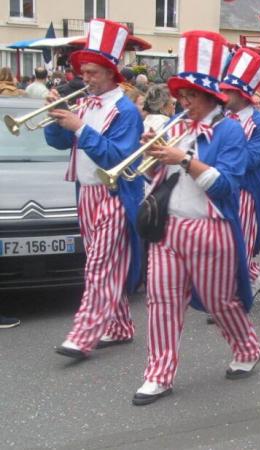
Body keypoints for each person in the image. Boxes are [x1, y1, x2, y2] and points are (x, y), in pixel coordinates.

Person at [133, 30, 260, 405]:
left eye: (191, 96)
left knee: (221, 302)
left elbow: (226, 187)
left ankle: (247, 347)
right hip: (169, 229)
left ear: (209, 97)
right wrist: (153, 157)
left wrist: (185, 160)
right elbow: (155, 182)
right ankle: (158, 374)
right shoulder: (177, 128)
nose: (184, 102)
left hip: (211, 229)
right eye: (182, 96)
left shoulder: (231, 131)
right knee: (161, 300)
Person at [44, 19, 144, 359]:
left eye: (92, 73)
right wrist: (58, 116)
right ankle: (119, 327)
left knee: (99, 265)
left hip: (115, 193)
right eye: (83, 72)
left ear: (111, 73)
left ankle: (83, 335)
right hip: (86, 192)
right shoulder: (84, 104)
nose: (84, 79)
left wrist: (81, 128)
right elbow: (58, 143)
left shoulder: (126, 111)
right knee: (103, 262)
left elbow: (117, 158)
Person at [220, 47, 260, 299]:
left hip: (247, 190)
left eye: (227, 91)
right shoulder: (223, 117)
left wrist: (223, 153)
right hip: (224, 186)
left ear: (241, 95)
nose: (222, 94)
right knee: (226, 241)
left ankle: (239, 290)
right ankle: (250, 279)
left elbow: (252, 159)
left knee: (240, 241)